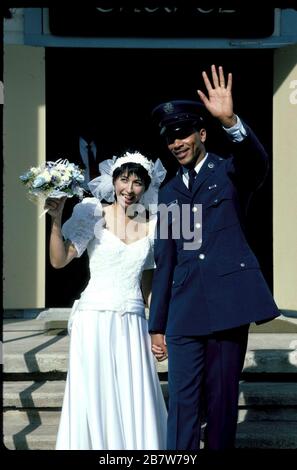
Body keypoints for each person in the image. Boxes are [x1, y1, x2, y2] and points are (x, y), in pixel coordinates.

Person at [148, 65, 280, 451]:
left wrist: (232, 122)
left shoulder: (231, 172)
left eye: (183, 134)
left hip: (228, 304)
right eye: (170, 138)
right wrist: (158, 324)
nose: (177, 143)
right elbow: (166, 258)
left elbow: (257, 163)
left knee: (222, 405)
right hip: (184, 311)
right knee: (182, 406)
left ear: (201, 134)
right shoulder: (170, 191)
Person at [44, 151, 167, 450]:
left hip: (133, 322)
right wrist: (57, 220)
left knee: (134, 393)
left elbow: (148, 287)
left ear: (146, 187)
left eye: (138, 182)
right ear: (113, 181)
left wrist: (159, 330)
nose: (130, 188)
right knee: (96, 393)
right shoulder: (92, 213)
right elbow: (59, 262)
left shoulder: (153, 226)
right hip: (94, 317)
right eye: (124, 179)